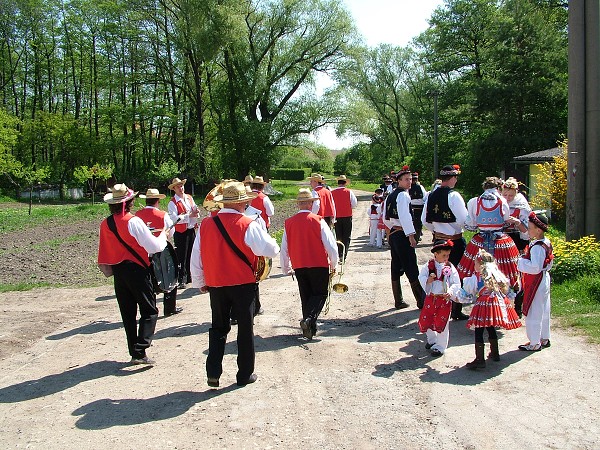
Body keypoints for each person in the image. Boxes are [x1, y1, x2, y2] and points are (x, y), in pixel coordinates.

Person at [190, 181, 280, 388]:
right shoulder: (248, 224)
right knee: (245, 330)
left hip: (216, 285)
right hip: (242, 284)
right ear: (243, 203)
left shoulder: (206, 224)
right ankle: (244, 374)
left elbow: (196, 257)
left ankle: (213, 372)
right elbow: (271, 250)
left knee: (218, 328)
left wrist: (200, 282)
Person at [97, 183, 167, 365]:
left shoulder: (106, 224)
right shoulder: (133, 221)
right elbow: (154, 246)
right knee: (149, 310)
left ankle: (135, 352)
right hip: (137, 269)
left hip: (119, 271)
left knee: (127, 313)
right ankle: (140, 348)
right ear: (130, 201)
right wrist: (163, 236)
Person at [280, 188, 339, 340]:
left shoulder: (289, 223)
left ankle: (309, 329)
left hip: (299, 265)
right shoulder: (318, 220)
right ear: (310, 204)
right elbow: (331, 245)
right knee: (320, 294)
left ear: (299, 204)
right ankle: (308, 320)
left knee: (305, 296)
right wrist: (334, 263)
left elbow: (284, 249)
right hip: (318, 263)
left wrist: (286, 268)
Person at [421, 164, 469, 320]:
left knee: (438, 273)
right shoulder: (454, 196)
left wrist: (436, 228)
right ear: (453, 178)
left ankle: (437, 309)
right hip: (454, 241)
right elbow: (464, 219)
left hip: (438, 239)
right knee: (457, 274)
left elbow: (424, 220)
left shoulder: (431, 195)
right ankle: (455, 309)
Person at [458, 177, 520, 292]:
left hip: (480, 240)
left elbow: (471, 222)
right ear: (498, 188)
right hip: (499, 240)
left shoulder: (474, 201)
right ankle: (502, 290)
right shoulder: (502, 200)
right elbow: (505, 218)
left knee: (476, 267)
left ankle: (480, 290)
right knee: (504, 268)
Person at [462, 250, 522, 369]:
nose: (474, 266)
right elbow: (506, 288)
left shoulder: (477, 278)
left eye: (475, 264)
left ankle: (480, 359)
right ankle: (495, 353)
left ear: (480, 264)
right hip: (496, 303)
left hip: (484, 304)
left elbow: (469, 291)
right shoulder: (496, 274)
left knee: (479, 329)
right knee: (490, 326)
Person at [382, 166, 426, 310]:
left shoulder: (391, 195)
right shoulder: (403, 195)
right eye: (406, 179)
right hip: (402, 234)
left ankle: (398, 300)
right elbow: (405, 217)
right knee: (410, 264)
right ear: (399, 181)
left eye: (411, 179)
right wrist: (411, 235)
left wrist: (391, 229)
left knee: (396, 265)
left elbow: (385, 217)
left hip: (395, 233)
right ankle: (421, 300)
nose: (410, 182)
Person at [135, 188, 182, 317]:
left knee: (149, 279)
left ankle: (151, 307)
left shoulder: (137, 215)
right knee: (169, 274)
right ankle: (169, 307)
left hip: (143, 251)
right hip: (161, 250)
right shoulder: (162, 215)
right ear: (157, 201)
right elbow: (170, 232)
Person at [417, 239, 462, 357]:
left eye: (448, 255)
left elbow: (456, 283)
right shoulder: (428, 266)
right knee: (428, 319)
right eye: (444, 255)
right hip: (431, 298)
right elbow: (421, 276)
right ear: (436, 254)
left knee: (443, 322)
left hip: (444, 299)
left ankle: (440, 346)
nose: (446, 257)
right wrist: (427, 281)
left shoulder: (449, 267)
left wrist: (451, 292)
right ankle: (432, 340)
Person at [517, 211, 554, 352]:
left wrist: (520, 262)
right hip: (544, 279)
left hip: (537, 281)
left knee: (534, 311)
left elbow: (535, 268)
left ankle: (534, 342)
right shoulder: (546, 242)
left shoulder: (538, 247)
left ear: (538, 230)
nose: (528, 229)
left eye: (530, 227)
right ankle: (544, 337)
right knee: (544, 309)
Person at [501, 176, 531, 317]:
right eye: (505, 194)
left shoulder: (522, 205)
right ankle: (502, 306)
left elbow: (527, 230)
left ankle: (517, 307)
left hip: (517, 242)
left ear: (516, 193)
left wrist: (517, 222)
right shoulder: (499, 202)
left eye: (511, 195)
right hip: (501, 242)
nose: (507, 198)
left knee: (518, 274)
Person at [168, 177, 199, 289]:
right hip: (181, 232)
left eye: (182, 185)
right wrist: (187, 216)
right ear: (174, 189)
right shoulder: (173, 202)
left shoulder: (189, 198)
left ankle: (190, 276)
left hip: (190, 229)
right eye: (178, 186)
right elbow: (173, 219)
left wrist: (196, 212)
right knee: (181, 256)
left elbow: (194, 208)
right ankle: (181, 278)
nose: (181, 188)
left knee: (192, 253)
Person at [331, 175, 358, 262]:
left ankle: (339, 253)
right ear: (345, 183)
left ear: (338, 183)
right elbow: (354, 204)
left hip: (337, 217)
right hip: (347, 216)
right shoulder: (349, 192)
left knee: (338, 235)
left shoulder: (332, 192)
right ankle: (344, 254)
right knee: (346, 236)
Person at [409, 172, 428, 242]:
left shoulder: (409, 187)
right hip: (418, 207)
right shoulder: (420, 187)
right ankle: (416, 236)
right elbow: (425, 197)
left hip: (413, 206)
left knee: (414, 222)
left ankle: (415, 236)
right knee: (418, 222)